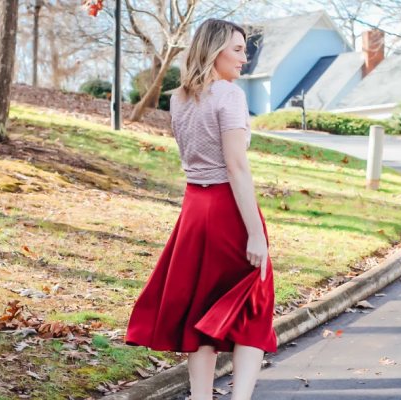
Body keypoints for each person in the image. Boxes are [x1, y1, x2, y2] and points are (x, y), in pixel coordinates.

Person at [125, 18, 278, 400]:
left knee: (201, 308)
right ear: (213, 51)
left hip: (195, 208)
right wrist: (256, 233)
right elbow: (236, 166)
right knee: (253, 308)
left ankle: (200, 397)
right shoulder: (229, 96)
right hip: (229, 210)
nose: (245, 58)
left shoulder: (179, 99)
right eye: (238, 50)